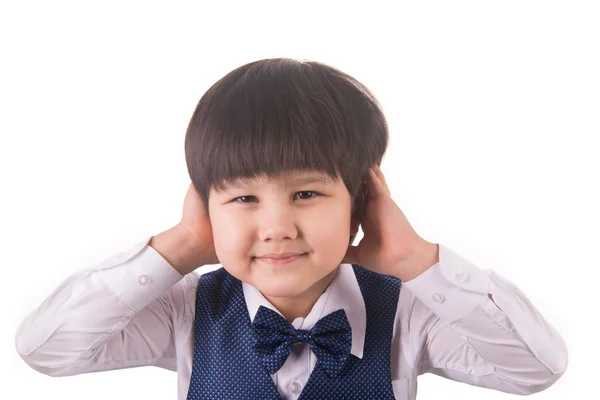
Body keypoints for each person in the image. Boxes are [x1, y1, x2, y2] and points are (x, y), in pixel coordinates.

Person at [15, 58, 568, 399]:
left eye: (306, 194)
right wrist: (180, 248)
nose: (276, 227)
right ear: (207, 208)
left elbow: (534, 370)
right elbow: (48, 351)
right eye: (243, 197)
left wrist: (417, 262)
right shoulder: (183, 312)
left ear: (363, 203)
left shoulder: (408, 312)